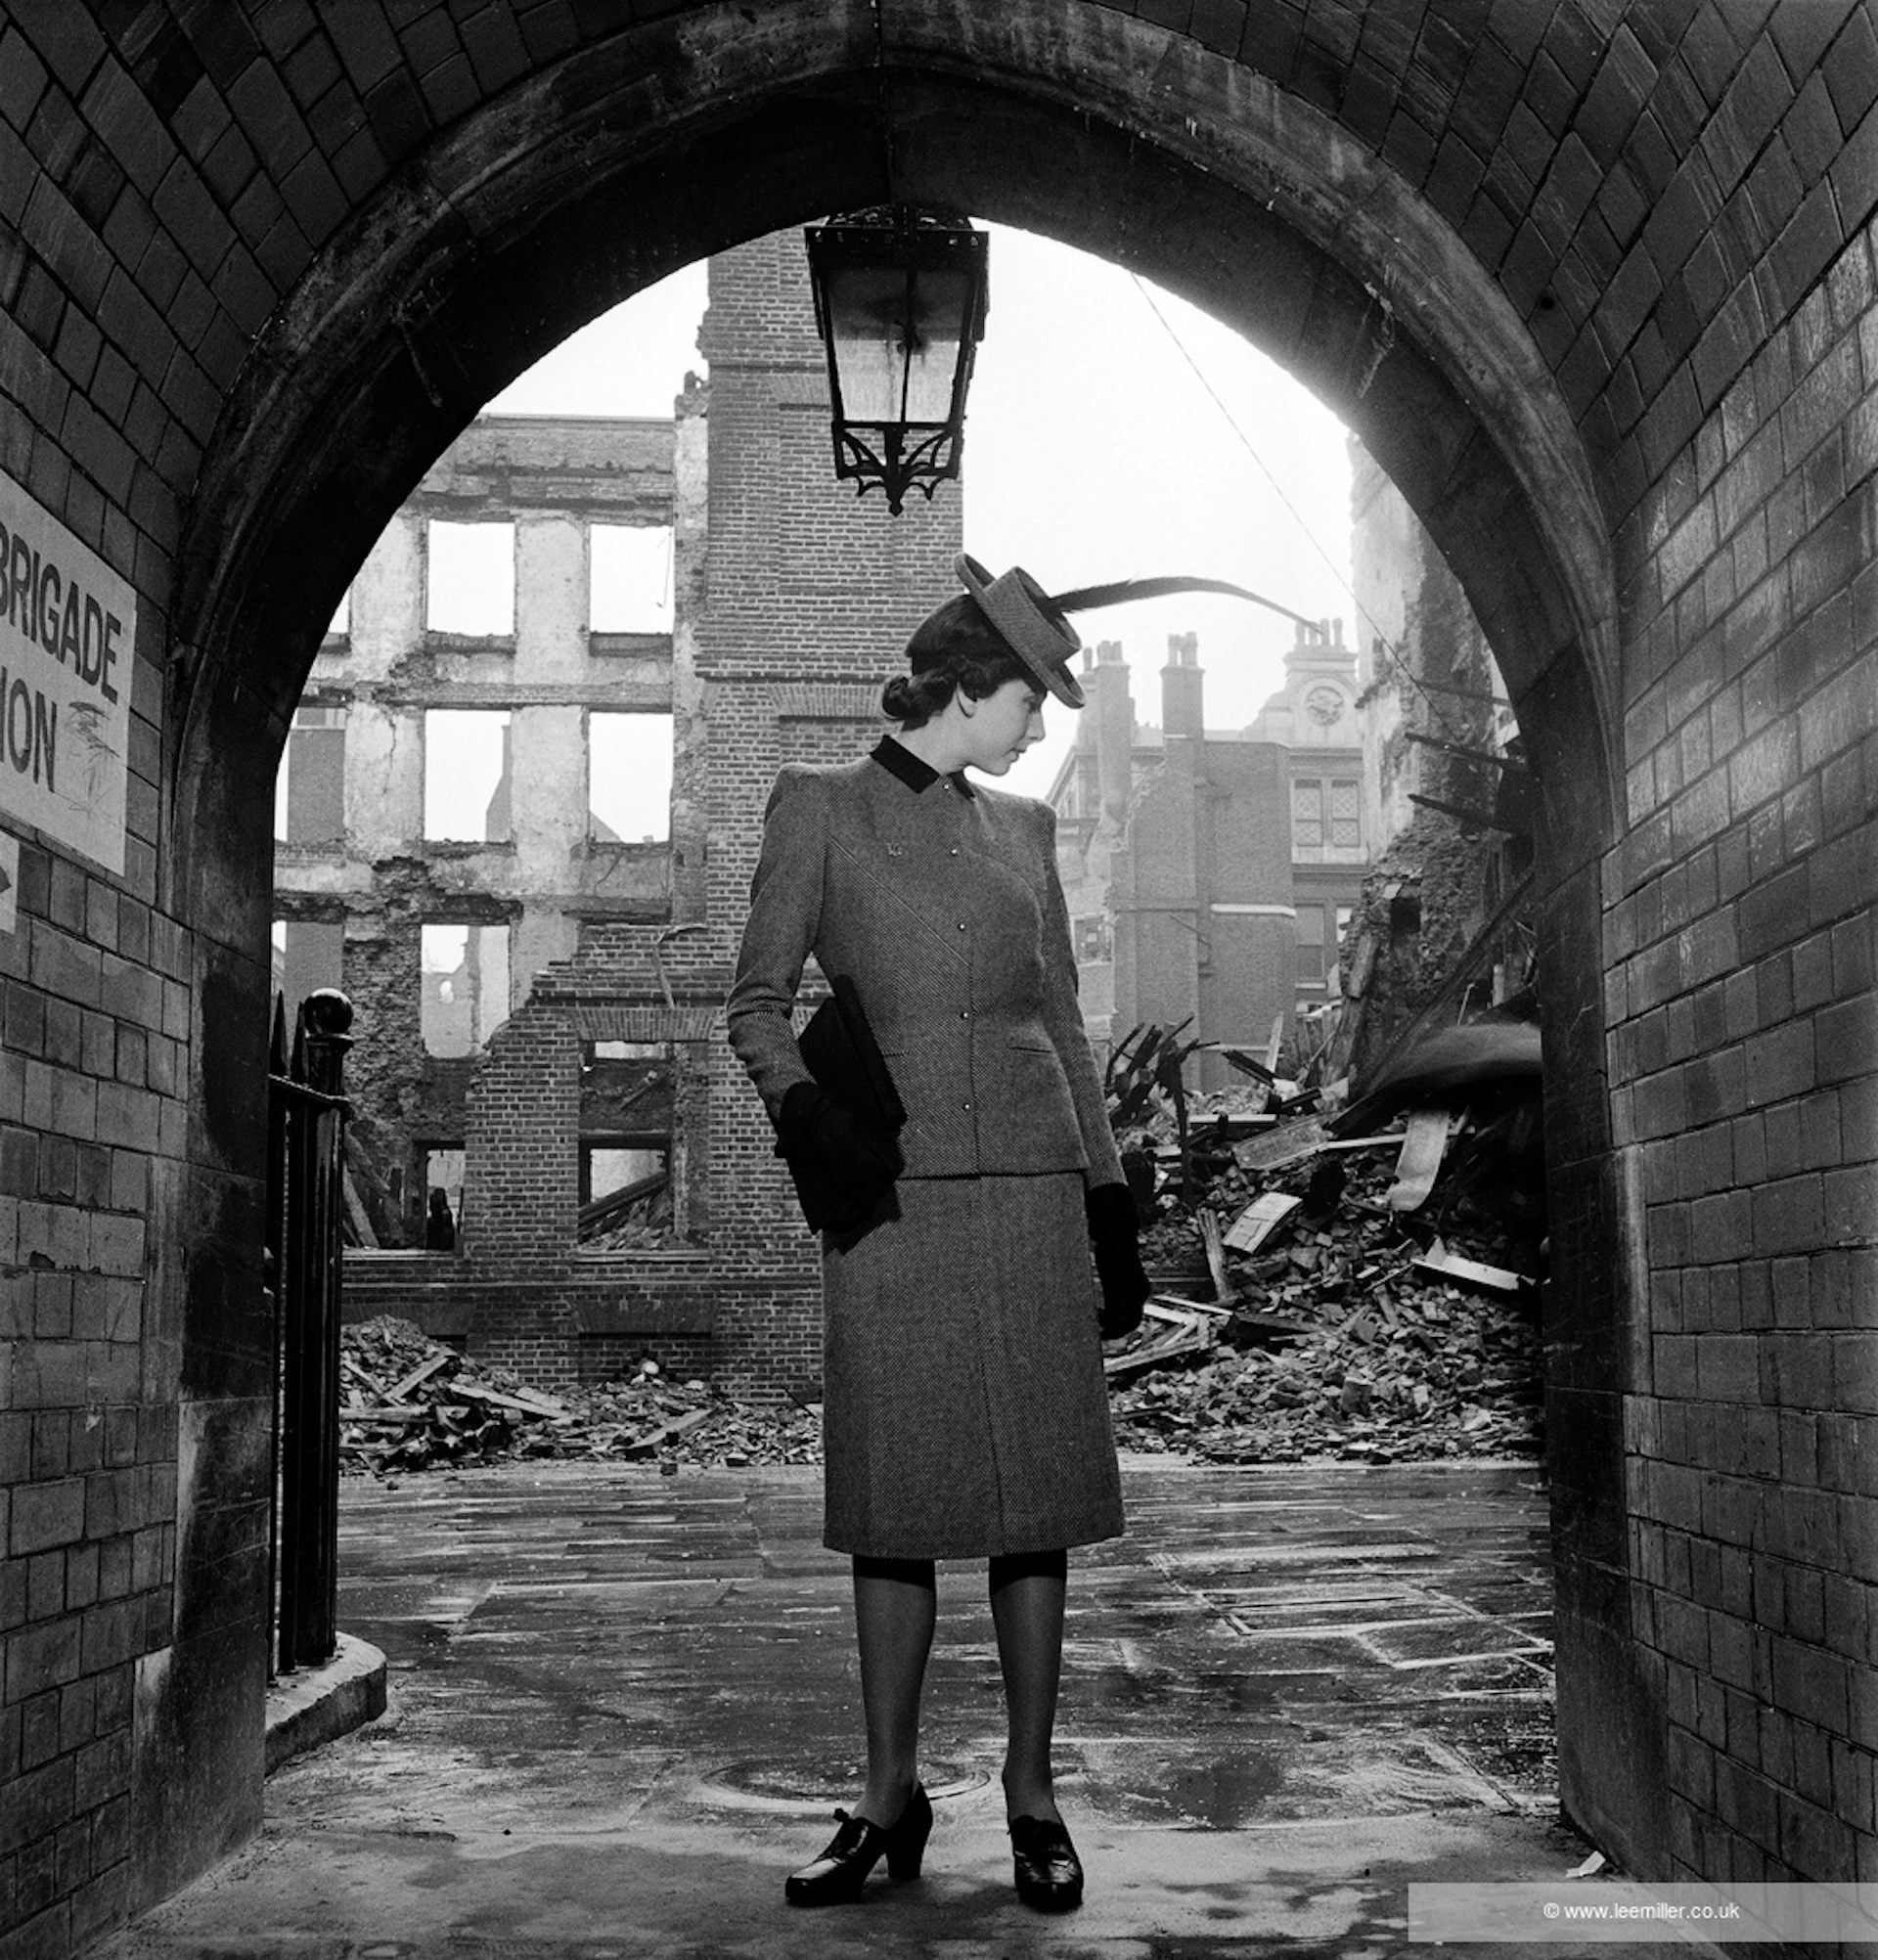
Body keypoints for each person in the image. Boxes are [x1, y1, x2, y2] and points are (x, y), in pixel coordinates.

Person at [726, 554, 1160, 1913]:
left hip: (1032, 1195)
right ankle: (887, 1795)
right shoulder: (820, 808)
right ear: (970, 689)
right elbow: (753, 1004)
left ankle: (1032, 1795)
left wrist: (1107, 1202)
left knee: (1039, 1505)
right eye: (1029, 701)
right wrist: (811, 1117)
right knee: (894, 1506)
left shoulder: (1026, 830)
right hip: (893, 1203)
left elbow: (1065, 1026)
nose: (1036, 727)